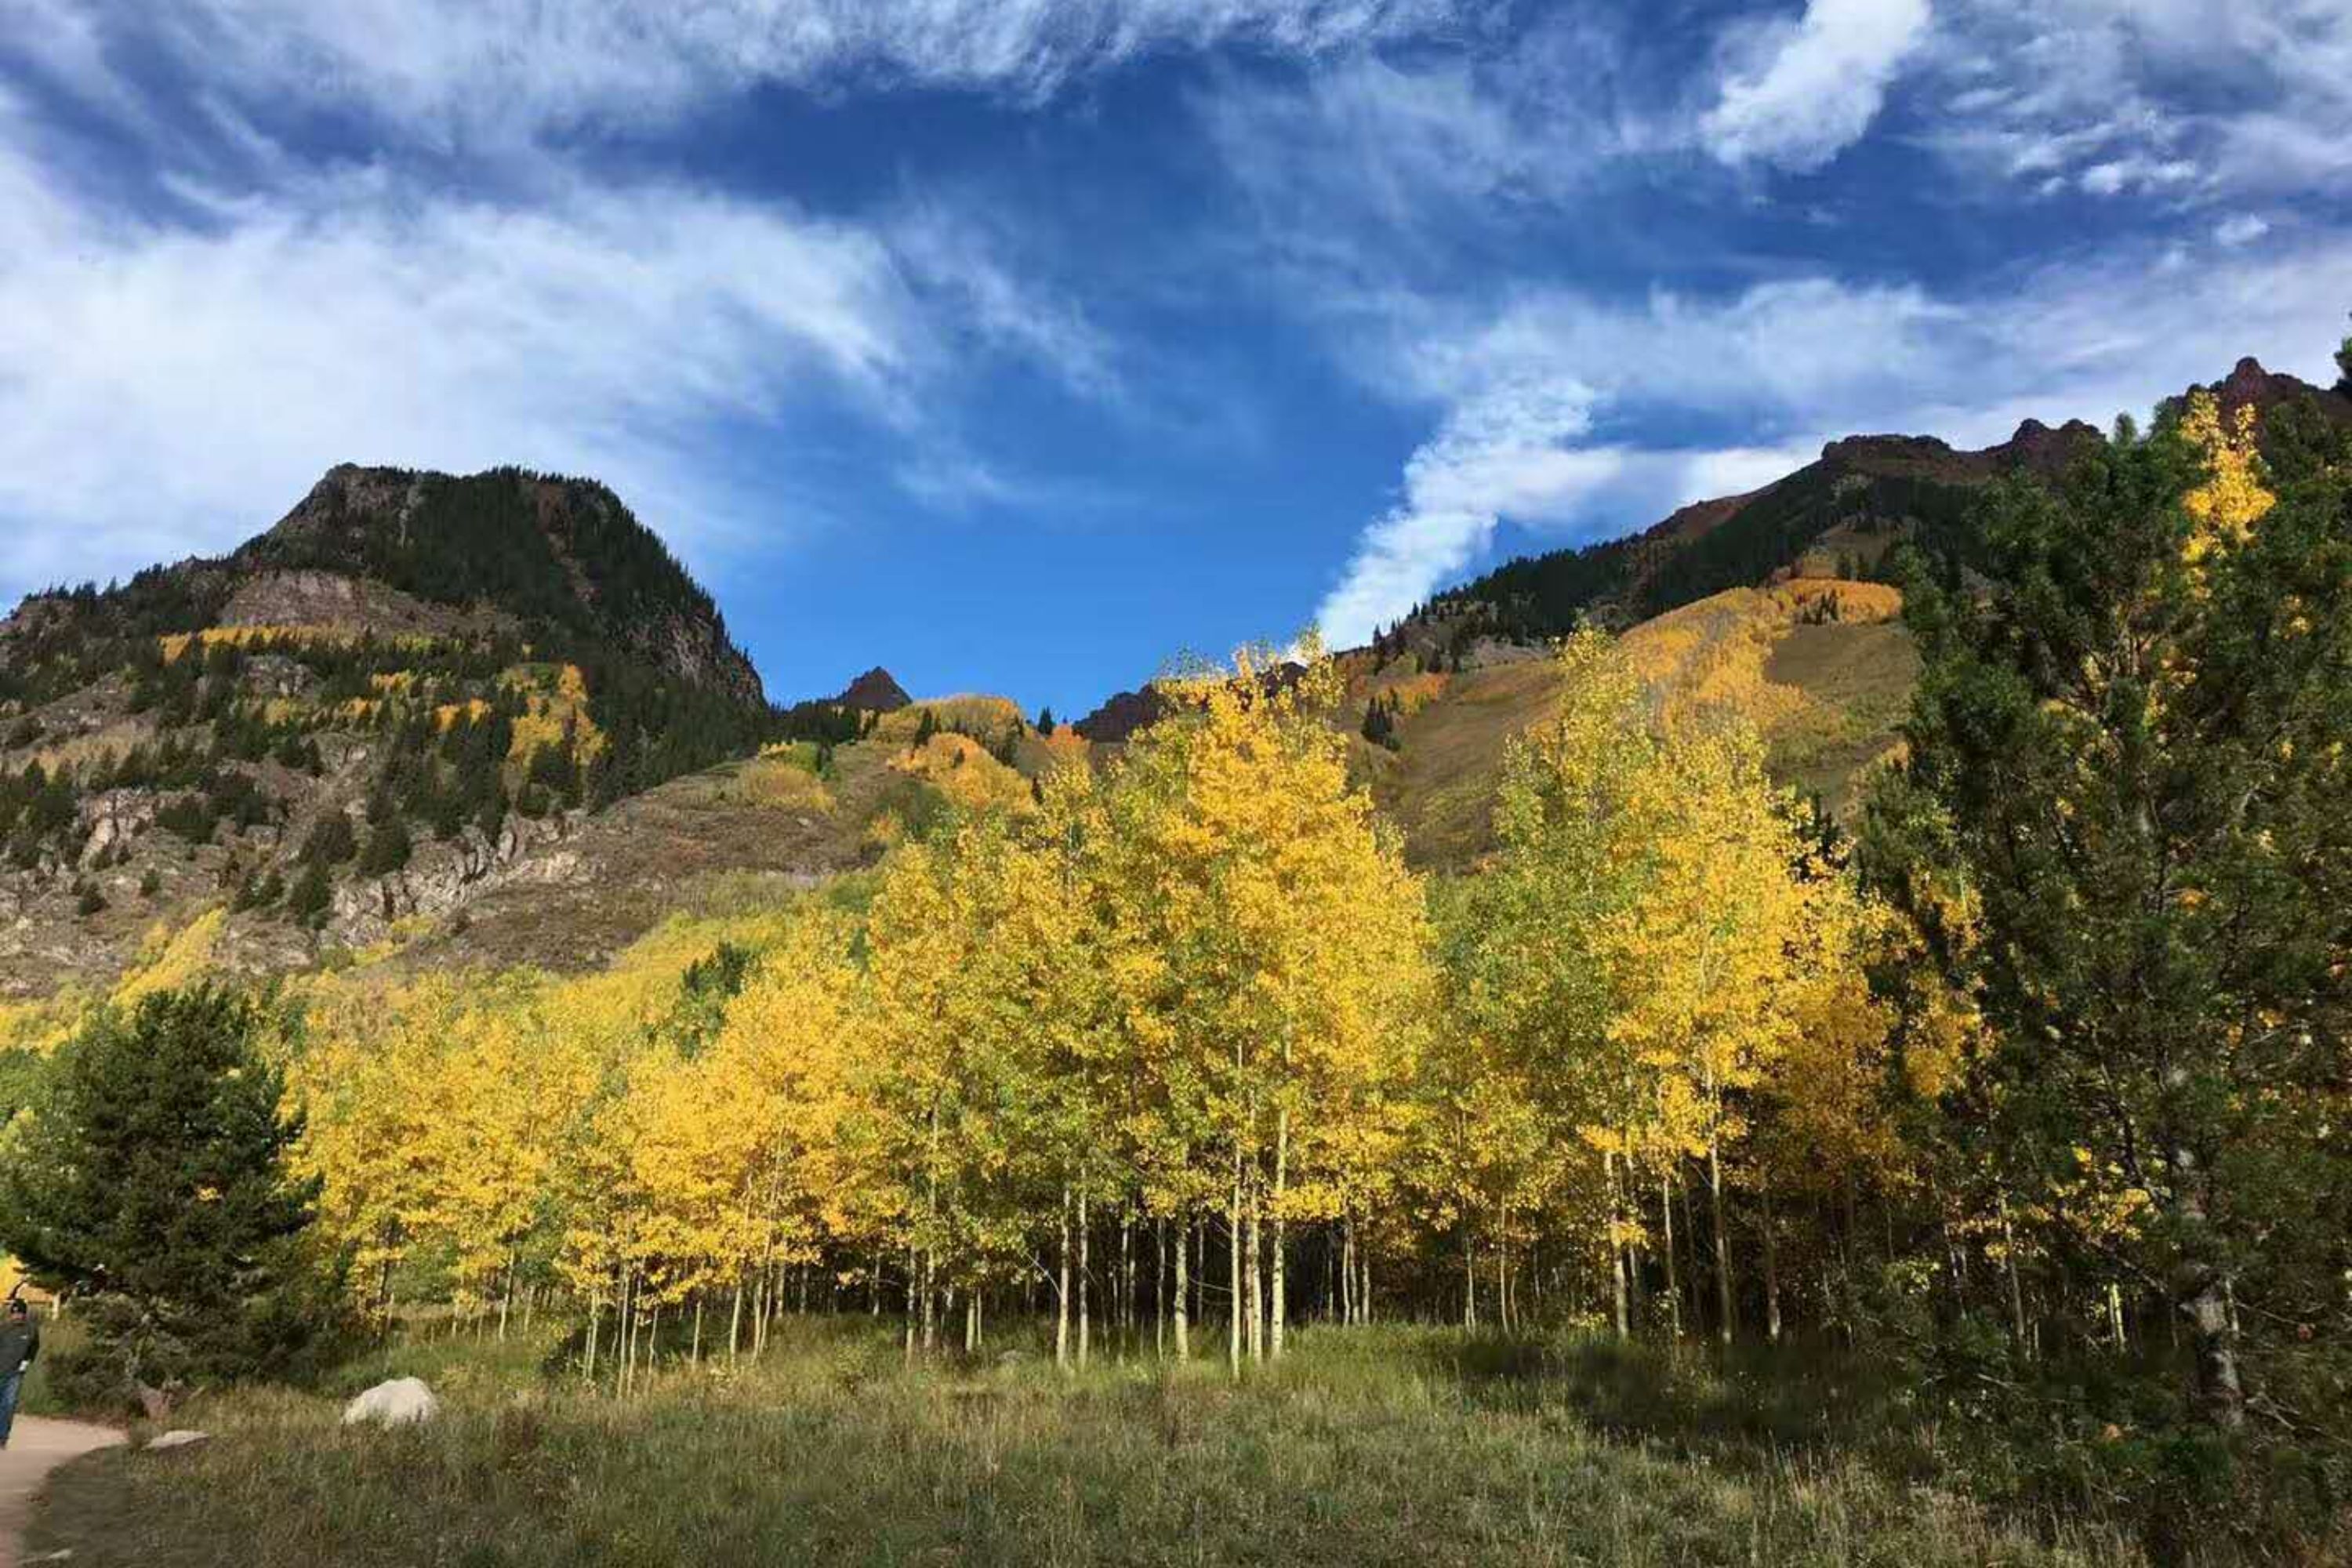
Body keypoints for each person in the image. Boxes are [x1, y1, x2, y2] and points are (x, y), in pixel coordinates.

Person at [0, 1298, 39, 1448]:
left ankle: (2, 1438)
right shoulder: (3, 1328)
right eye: (14, 1314)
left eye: (20, 1314)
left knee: (8, 1405)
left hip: (15, 1373)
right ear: (11, 1314)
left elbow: (34, 1347)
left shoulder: (31, 1330)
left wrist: (27, 1361)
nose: (17, 1317)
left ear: (25, 1314)